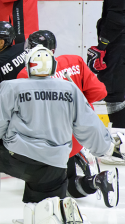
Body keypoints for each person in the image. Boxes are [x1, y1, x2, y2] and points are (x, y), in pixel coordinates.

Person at [0, 46, 114, 224]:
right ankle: (56, 208)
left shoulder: (13, 87)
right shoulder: (71, 90)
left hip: (19, 158)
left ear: (29, 67)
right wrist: (105, 149)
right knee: (37, 206)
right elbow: (90, 126)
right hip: (56, 165)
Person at [18, 30, 119, 207]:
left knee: (62, 188)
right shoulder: (74, 61)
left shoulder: (25, 75)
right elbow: (100, 92)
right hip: (81, 134)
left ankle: (94, 179)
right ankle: (91, 171)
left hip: (52, 143)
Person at [87, 0, 125, 128]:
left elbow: (116, 19)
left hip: (119, 43)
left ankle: (122, 138)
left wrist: (102, 45)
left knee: (114, 91)